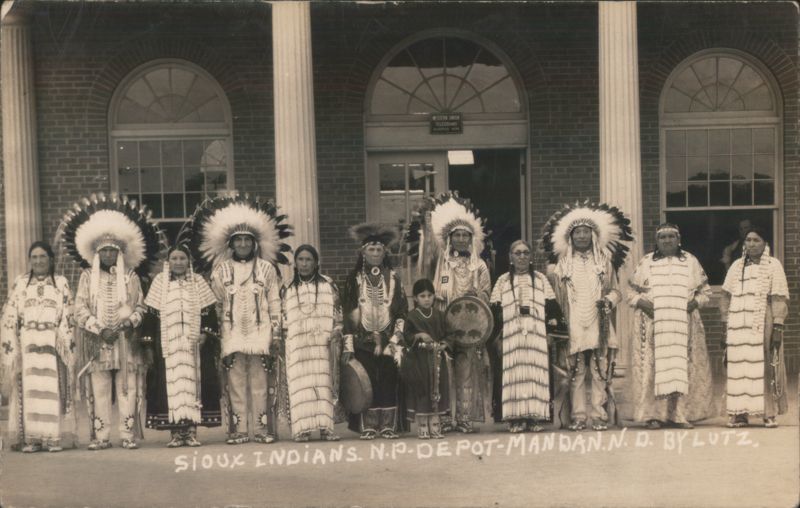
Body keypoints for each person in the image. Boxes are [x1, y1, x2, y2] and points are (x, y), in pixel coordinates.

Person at [190, 195, 291, 445]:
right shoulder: (220, 270)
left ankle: (260, 428)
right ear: (231, 244)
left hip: (261, 331)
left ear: (254, 243)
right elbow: (216, 303)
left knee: (259, 380)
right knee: (235, 382)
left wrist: (276, 332)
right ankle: (238, 429)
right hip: (231, 332)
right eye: (239, 240)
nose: (243, 244)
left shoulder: (267, 269)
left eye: (247, 240)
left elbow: (275, 302)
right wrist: (218, 333)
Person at [63, 193, 161, 450]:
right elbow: (79, 308)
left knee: (127, 388)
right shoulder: (87, 277)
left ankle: (127, 434)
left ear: (120, 252)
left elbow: (142, 305)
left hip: (126, 341)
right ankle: (101, 436)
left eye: (112, 250)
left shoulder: (130, 277)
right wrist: (98, 328)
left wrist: (130, 323)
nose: (108, 254)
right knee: (100, 389)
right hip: (97, 342)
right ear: (97, 253)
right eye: (104, 250)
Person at [542, 201, 633, 431]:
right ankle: (579, 415)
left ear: (593, 235)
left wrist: (608, 301)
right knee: (575, 372)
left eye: (585, 232)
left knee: (600, 370)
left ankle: (599, 415)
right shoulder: (561, 266)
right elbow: (553, 297)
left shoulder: (604, 262)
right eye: (577, 233)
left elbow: (616, 291)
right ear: (570, 237)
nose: (581, 236)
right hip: (573, 323)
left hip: (598, 321)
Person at [416, 192, 492, 433]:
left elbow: (487, 294)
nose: (461, 239)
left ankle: (465, 419)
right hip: (445, 325)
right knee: (445, 373)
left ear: (471, 239)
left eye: (465, 235)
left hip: (470, 327)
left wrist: (476, 294)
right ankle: (446, 418)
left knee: (466, 373)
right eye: (457, 235)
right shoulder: (442, 263)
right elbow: (434, 287)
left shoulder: (479, 265)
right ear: (450, 238)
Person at [628, 223, 714, 429]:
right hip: (653, 324)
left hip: (683, 324)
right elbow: (630, 292)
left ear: (679, 239)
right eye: (663, 237)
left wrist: (693, 303)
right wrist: (641, 302)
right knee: (654, 368)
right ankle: (654, 416)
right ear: (657, 241)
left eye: (671, 237)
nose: (667, 241)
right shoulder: (646, 262)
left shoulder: (690, 261)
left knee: (681, 367)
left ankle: (679, 414)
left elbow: (705, 292)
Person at [1, 241, 76, 452]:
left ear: (50, 259)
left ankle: (52, 438)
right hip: (28, 343)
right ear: (29, 260)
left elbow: (68, 314)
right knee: (30, 391)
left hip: (52, 343)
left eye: (43, 256)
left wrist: (61, 340)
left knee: (51, 390)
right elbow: (9, 314)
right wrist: (12, 344)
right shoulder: (21, 283)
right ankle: (32, 439)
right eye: (34, 257)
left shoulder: (60, 283)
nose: (39, 261)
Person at [143, 243, 221, 447]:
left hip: (193, 345)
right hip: (168, 345)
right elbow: (151, 316)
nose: (179, 262)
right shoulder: (160, 282)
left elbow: (209, 313)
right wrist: (149, 346)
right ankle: (176, 434)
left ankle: (191, 432)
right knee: (172, 387)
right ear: (168, 262)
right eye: (174, 259)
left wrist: (205, 334)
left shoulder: (198, 282)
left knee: (193, 385)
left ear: (189, 261)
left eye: (182, 258)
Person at [342, 223, 408, 440]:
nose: (375, 253)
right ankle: (368, 425)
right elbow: (348, 314)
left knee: (389, 378)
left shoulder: (394, 278)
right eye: (371, 249)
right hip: (363, 340)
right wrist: (349, 345)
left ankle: (388, 425)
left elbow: (401, 311)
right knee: (366, 380)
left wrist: (397, 337)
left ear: (384, 253)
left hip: (389, 339)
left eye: (379, 250)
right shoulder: (354, 280)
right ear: (363, 252)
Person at [720, 226, 789, 428]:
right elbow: (725, 296)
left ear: (765, 243)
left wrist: (778, 326)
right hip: (737, 324)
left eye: (756, 240)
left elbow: (778, 298)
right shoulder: (736, 266)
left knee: (765, 366)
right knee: (739, 366)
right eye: (748, 240)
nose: (751, 244)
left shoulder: (773, 266)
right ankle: (740, 413)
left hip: (762, 321)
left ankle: (768, 412)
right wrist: (725, 325)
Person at [490, 240, 560, 433]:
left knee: (535, 375)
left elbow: (553, 310)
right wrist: (498, 339)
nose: (522, 256)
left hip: (536, 334)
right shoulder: (502, 281)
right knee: (513, 375)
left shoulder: (541, 279)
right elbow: (493, 313)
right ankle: (515, 418)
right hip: (512, 335)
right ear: (511, 258)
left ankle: (535, 417)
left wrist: (551, 334)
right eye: (517, 253)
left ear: (530, 257)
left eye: (526, 253)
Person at [281, 244, 343, 442]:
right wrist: (283, 338)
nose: (305, 264)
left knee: (323, 383)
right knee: (300, 384)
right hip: (298, 344)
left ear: (316, 263)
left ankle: (326, 428)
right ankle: (302, 429)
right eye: (301, 260)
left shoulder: (328, 284)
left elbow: (338, 315)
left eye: (309, 260)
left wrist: (336, 332)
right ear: (295, 263)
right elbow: (281, 317)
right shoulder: (288, 287)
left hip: (322, 344)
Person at [402, 278, 450, 439]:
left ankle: (435, 425)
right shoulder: (412, 316)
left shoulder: (440, 315)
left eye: (430, 295)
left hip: (437, 359)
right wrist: (420, 335)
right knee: (423, 390)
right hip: (419, 359)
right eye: (422, 296)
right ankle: (422, 426)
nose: (427, 299)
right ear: (415, 298)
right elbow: (406, 336)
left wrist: (444, 344)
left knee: (437, 389)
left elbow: (448, 334)